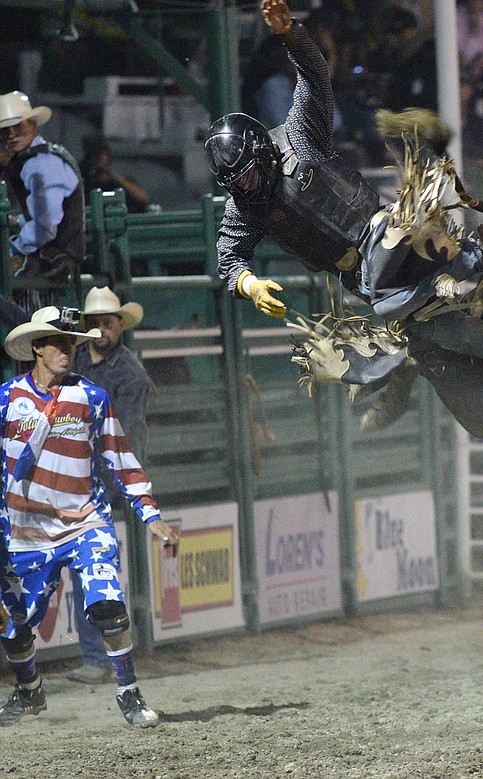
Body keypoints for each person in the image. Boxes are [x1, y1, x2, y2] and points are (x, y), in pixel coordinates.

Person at [205, 0, 483, 370]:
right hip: (365, 281)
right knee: (460, 337)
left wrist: (291, 33)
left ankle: (480, 252)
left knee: (389, 276)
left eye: (249, 172)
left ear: (261, 152)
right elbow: (229, 256)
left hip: (388, 230)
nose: (246, 185)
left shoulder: (299, 137)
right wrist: (250, 284)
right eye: (236, 181)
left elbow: (314, 78)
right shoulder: (244, 205)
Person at [0, 305, 180, 727]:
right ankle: (29, 691)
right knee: (13, 623)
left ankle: (129, 692)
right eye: (58, 344)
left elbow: (120, 457)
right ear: (36, 348)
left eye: (71, 343)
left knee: (107, 602)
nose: (67, 350)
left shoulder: (92, 397)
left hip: (85, 521)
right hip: (25, 532)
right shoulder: (7, 399)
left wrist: (150, 514)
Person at [64, 287, 152, 685]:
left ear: (119, 325)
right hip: (74, 476)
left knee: (93, 567)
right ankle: (101, 657)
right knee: (90, 568)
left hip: (102, 479)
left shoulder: (129, 374)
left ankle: (99, 658)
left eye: (108, 322)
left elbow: (125, 437)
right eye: (95, 323)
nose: (101, 329)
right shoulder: (77, 359)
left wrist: (111, 487)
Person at [0, 90, 84, 285]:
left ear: (32, 124)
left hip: (54, 262)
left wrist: (14, 248)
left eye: (17, 127)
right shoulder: (42, 158)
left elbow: (43, 229)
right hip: (57, 255)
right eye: (5, 130)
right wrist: (19, 221)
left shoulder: (39, 165)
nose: (11, 135)